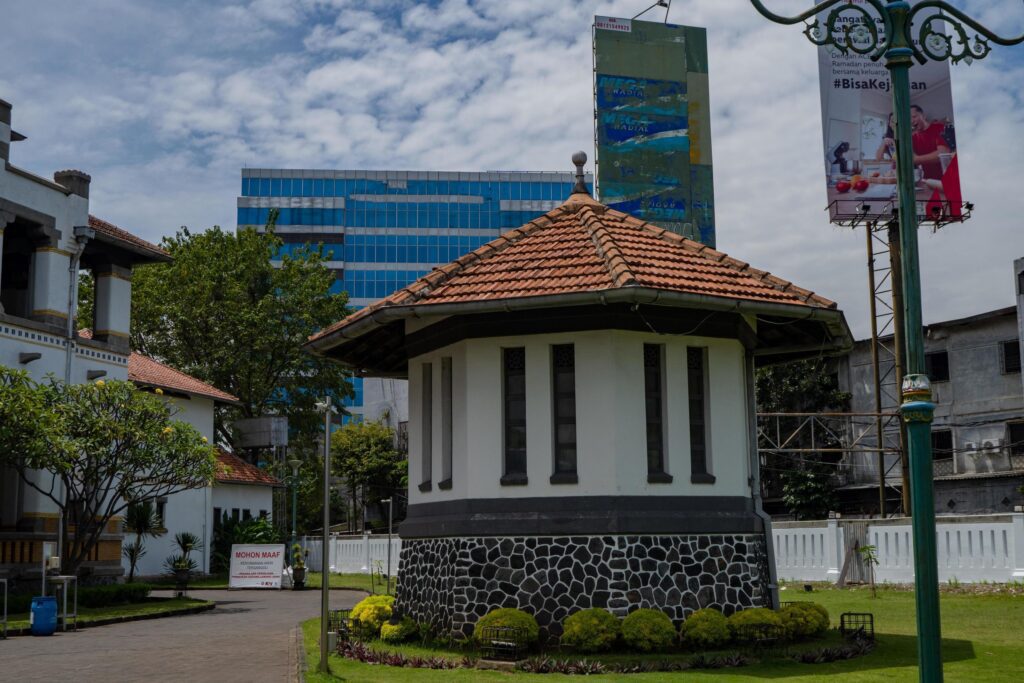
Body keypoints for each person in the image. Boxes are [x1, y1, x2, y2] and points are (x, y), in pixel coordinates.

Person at [909, 105, 950, 180]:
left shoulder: (939, 127)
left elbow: (943, 154)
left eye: (914, 117)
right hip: (927, 181)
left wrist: (916, 159)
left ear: (923, 116)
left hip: (946, 179)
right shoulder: (912, 138)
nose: (911, 121)